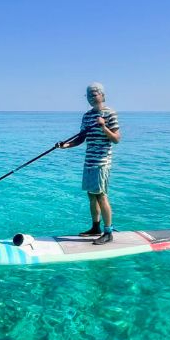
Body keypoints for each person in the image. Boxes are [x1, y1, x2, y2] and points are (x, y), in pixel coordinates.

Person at [58, 82, 121, 244]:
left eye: (94, 94)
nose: (91, 97)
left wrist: (103, 127)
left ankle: (108, 232)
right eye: (88, 95)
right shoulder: (86, 116)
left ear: (102, 95)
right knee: (91, 195)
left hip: (102, 161)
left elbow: (116, 139)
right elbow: (80, 138)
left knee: (101, 195)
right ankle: (96, 227)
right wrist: (65, 146)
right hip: (89, 161)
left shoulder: (110, 113)